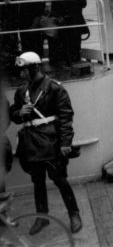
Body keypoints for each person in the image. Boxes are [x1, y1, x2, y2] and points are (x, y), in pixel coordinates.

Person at [9, 52, 82, 234]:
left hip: (51, 142)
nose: (21, 74)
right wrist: (20, 113)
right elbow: (13, 114)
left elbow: (66, 117)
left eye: (24, 70)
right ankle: (42, 217)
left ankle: (74, 214)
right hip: (31, 144)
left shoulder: (54, 88)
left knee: (60, 179)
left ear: (34, 68)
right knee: (38, 181)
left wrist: (66, 142)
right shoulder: (21, 91)